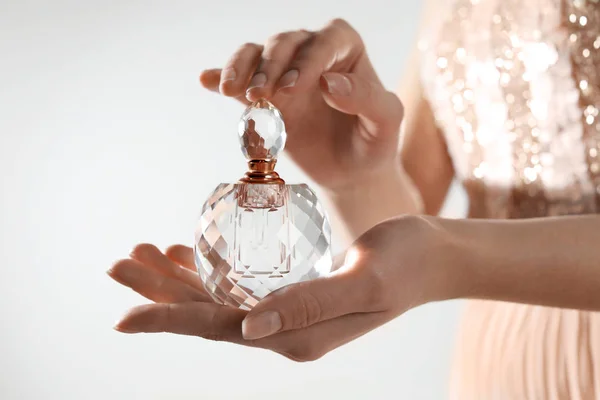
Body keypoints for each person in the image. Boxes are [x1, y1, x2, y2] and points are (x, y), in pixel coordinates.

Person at [108, 1, 600, 398]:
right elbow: (403, 227)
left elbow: (432, 251)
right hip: (498, 356)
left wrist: (450, 259)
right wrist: (358, 178)